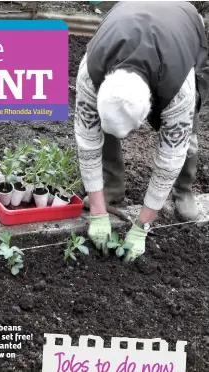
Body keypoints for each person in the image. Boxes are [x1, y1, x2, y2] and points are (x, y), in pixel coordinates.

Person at [74, 1, 209, 261]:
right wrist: (98, 212)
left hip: (181, 25)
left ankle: (184, 190)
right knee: (100, 132)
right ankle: (109, 192)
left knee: (185, 136)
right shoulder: (89, 74)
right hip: (127, 17)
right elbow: (88, 143)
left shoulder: (179, 90)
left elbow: (169, 160)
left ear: (147, 113)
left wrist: (141, 227)